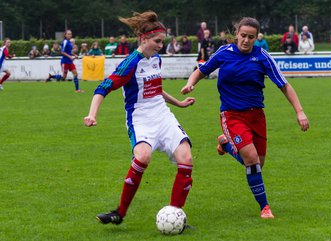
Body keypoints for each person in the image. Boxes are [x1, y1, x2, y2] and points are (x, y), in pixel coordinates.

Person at [181, 17, 309, 219]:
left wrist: (299, 111)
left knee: (258, 164)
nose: (246, 40)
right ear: (237, 34)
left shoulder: (263, 57)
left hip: (257, 115)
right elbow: (202, 70)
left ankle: (226, 145)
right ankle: (265, 207)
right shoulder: (225, 53)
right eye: (243, 36)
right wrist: (191, 83)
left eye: (251, 37)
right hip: (232, 115)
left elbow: (284, 85)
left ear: (256, 38)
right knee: (251, 159)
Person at [84, 10, 195, 226]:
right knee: (143, 157)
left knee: (186, 159)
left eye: (162, 41)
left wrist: (179, 104)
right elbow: (103, 87)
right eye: (157, 41)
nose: (160, 45)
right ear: (143, 39)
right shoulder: (130, 64)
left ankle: (175, 214)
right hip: (140, 119)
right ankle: (119, 212)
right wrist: (92, 114)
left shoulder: (157, 59)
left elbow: (156, 90)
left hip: (163, 116)